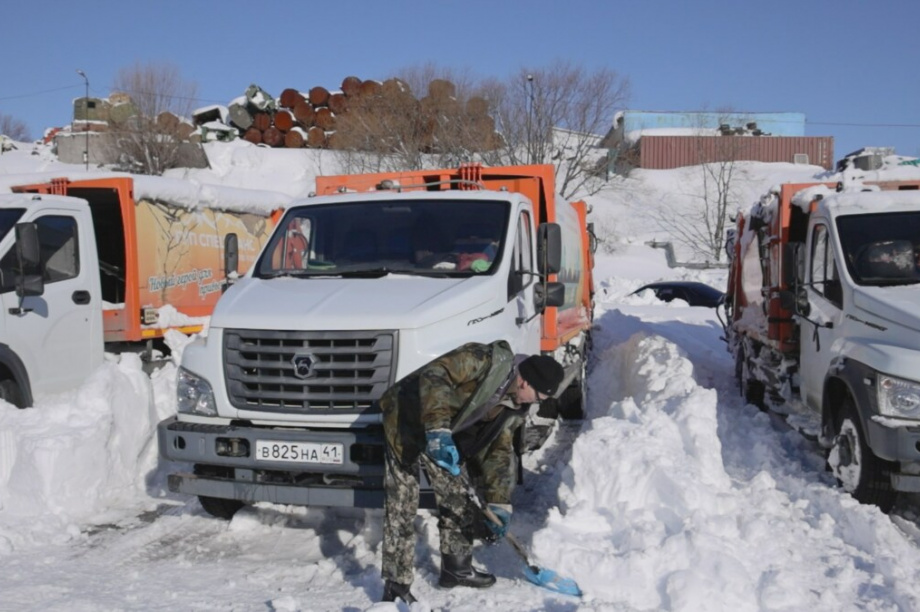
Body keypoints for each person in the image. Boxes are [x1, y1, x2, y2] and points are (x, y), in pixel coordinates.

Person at [378, 341, 565, 603]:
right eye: (539, 397)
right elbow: (435, 375)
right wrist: (438, 430)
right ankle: (396, 584)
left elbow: (498, 451)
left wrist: (499, 503)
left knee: (458, 496)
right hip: (406, 418)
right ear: (525, 382)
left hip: (443, 432)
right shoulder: (483, 360)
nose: (536, 405)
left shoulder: (514, 405)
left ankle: (457, 569)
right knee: (402, 505)